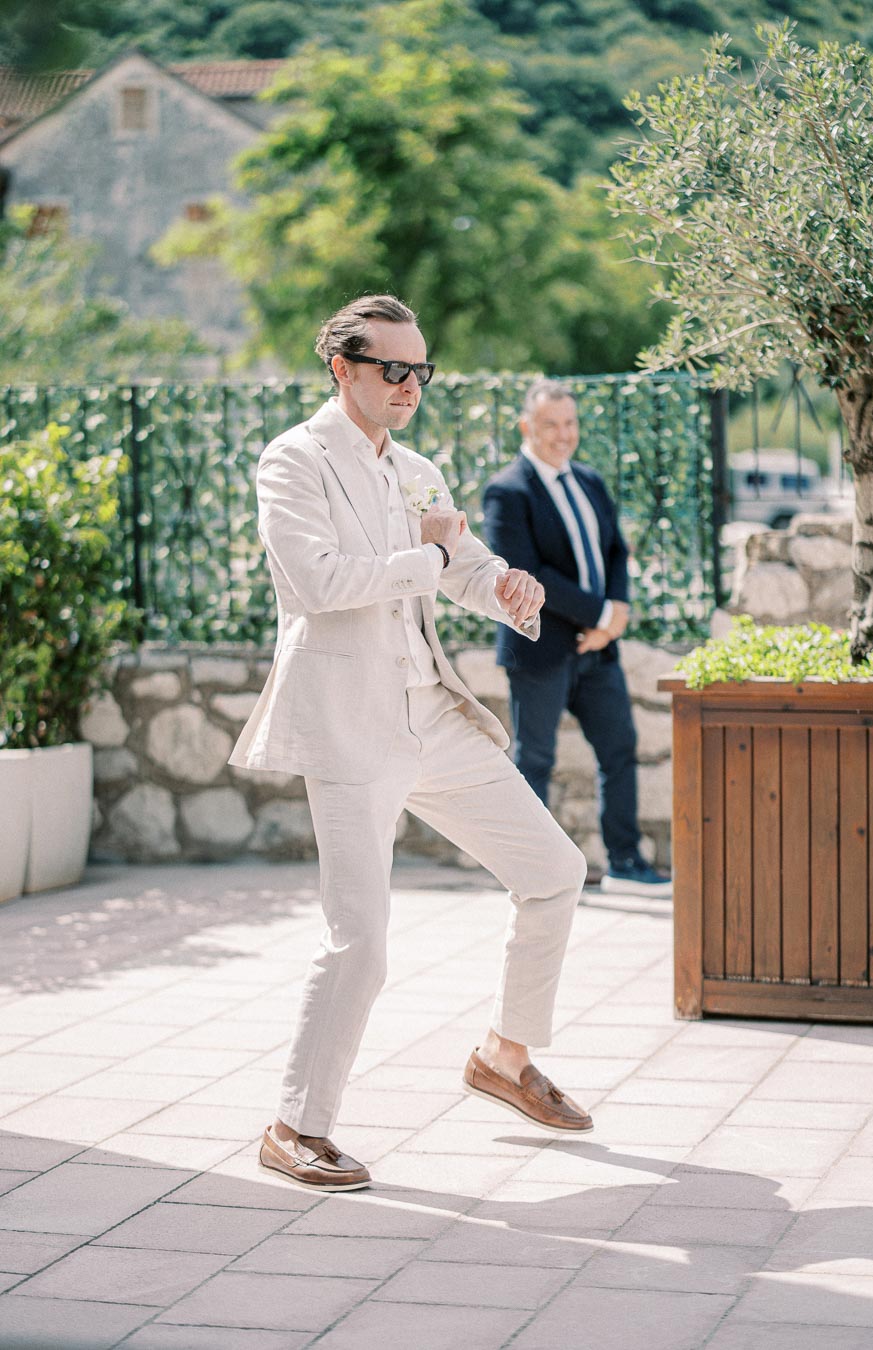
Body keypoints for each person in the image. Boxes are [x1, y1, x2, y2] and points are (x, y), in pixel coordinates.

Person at [229, 297, 592, 1194]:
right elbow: (317, 581)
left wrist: (504, 586)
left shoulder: (417, 469)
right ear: (342, 368)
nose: (410, 385)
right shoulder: (294, 460)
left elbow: (461, 565)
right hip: (350, 724)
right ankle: (293, 1128)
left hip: (432, 712)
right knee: (361, 942)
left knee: (554, 870)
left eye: (420, 370)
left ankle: (505, 1057)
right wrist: (431, 559)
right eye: (392, 368)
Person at [482, 378, 671, 897]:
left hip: (599, 648)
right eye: (551, 425)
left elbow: (615, 551)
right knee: (535, 761)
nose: (563, 434)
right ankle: (533, 874)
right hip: (541, 647)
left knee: (619, 749)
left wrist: (615, 615)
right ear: (526, 426)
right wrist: (603, 613)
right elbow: (528, 571)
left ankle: (626, 864)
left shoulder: (589, 480)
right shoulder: (507, 491)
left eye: (570, 423)